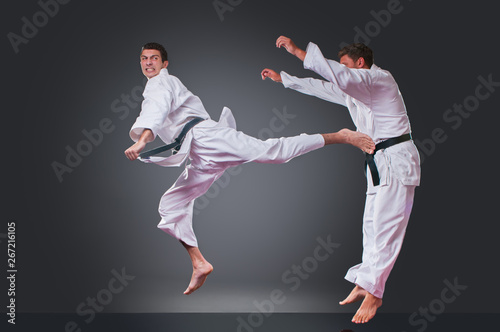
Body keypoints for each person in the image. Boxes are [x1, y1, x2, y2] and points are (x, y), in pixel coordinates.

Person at [125, 42, 376, 296]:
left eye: (154, 58)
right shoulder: (156, 85)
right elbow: (157, 112)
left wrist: (143, 140)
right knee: (171, 204)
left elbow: (155, 112)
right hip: (198, 151)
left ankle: (341, 135)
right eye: (144, 58)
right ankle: (199, 263)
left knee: (272, 152)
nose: (148, 63)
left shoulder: (161, 83)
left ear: (164, 64)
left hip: (207, 137)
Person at [261, 36, 420, 324]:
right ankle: (365, 282)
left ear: (360, 63)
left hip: (396, 159)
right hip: (379, 162)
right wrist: (284, 79)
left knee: (387, 226)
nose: (341, 71)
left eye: (346, 65)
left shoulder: (379, 79)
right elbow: (322, 87)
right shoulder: (355, 91)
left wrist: (297, 51)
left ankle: (375, 292)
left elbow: (338, 75)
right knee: (371, 225)